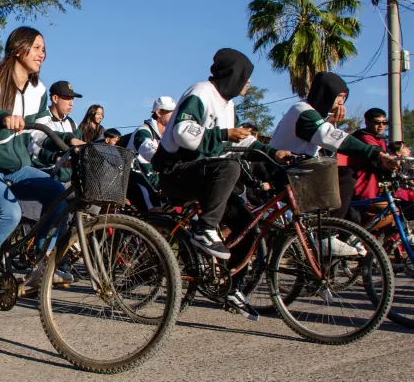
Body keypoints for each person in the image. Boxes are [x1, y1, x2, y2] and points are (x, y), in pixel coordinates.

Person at [152, 48, 291, 319]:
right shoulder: (201, 92)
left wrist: (273, 153)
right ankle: (205, 229)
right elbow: (184, 133)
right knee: (229, 166)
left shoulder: (228, 104)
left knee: (247, 225)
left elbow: (239, 141)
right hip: (176, 172)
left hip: (205, 176)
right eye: (246, 77)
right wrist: (226, 133)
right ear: (233, 75)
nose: (248, 83)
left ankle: (233, 289)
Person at [0, 26, 73, 313]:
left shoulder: (39, 90)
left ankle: (41, 266)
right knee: (10, 212)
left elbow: (38, 133)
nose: (42, 54)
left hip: (17, 168)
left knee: (59, 195)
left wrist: (71, 141)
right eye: (36, 47)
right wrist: (4, 117)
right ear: (19, 48)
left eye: (44, 49)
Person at [269, 72, 396, 254]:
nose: (341, 104)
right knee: (345, 175)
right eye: (339, 97)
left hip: (299, 171)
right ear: (327, 94)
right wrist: (378, 154)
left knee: (337, 180)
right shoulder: (303, 112)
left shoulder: (315, 116)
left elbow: (328, 150)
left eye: (344, 98)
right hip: (282, 171)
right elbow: (336, 140)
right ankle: (326, 237)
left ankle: (327, 239)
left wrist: (332, 123)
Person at [126, 96, 176, 213]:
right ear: (159, 112)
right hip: (134, 178)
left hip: (152, 180)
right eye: (171, 113)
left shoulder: (165, 136)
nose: (175, 117)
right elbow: (150, 153)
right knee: (156, 213)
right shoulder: (143, 131)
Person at [29, 80, 83, 183]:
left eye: (72, 99)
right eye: (67, 98)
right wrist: (56, 158)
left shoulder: (72, 124)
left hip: (67, 179)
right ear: (55, 98)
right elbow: (34, 148)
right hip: (42, 175)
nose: (71, 103)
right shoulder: (41, 118)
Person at [347, 108, 389, 201]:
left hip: (373, 186)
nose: (381, 126)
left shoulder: (380, 139)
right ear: (367, 122)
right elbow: (376, 159)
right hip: (362, 185)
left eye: (384, 122)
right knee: (392, 213)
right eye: (377, 122)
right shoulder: (364, 137)